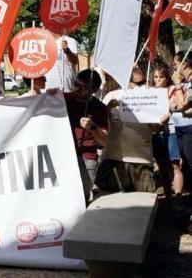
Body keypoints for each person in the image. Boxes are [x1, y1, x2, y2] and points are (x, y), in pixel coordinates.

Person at [95, 67, 157, 195]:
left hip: (142, 160)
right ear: (126, 81)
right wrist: (107, 109)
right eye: (136, 83)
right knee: (115, 202)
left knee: (145, 202)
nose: (140, 87)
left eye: (142, 83)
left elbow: (157, 128)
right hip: (115, 159)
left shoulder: (150, 97)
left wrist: (161, 121)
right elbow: (99, 123)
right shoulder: (112, 96)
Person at [63, 69, 108, 202]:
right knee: (65, 196)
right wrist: (48, 94)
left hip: (87, 158)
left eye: (83, 87)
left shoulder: (100, 108)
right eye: (76, 84)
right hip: (65, 155)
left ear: (94, 90)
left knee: (83, 196)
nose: (77, 89)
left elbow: (104, 140)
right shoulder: (64, 99)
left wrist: (93, 127)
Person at [155, 65, 185, 197]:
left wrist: (169, 105)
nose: (158, 79)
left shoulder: (172, 90)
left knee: (175, 165)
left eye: (161, 77)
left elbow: (178, 105)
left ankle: (178, 196)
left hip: (171, 131)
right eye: (156, 77)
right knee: (162, 167)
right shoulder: (151, 92)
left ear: (167, 78)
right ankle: (168, 197)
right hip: (157, 133)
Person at [172, 54, 192, 186]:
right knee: (185, 163)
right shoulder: (187, 82)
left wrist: (177, 84)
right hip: (180, 127)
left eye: (175, 64)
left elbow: (182, 105)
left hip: (190, 127)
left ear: (183, 64)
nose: (174, 67)